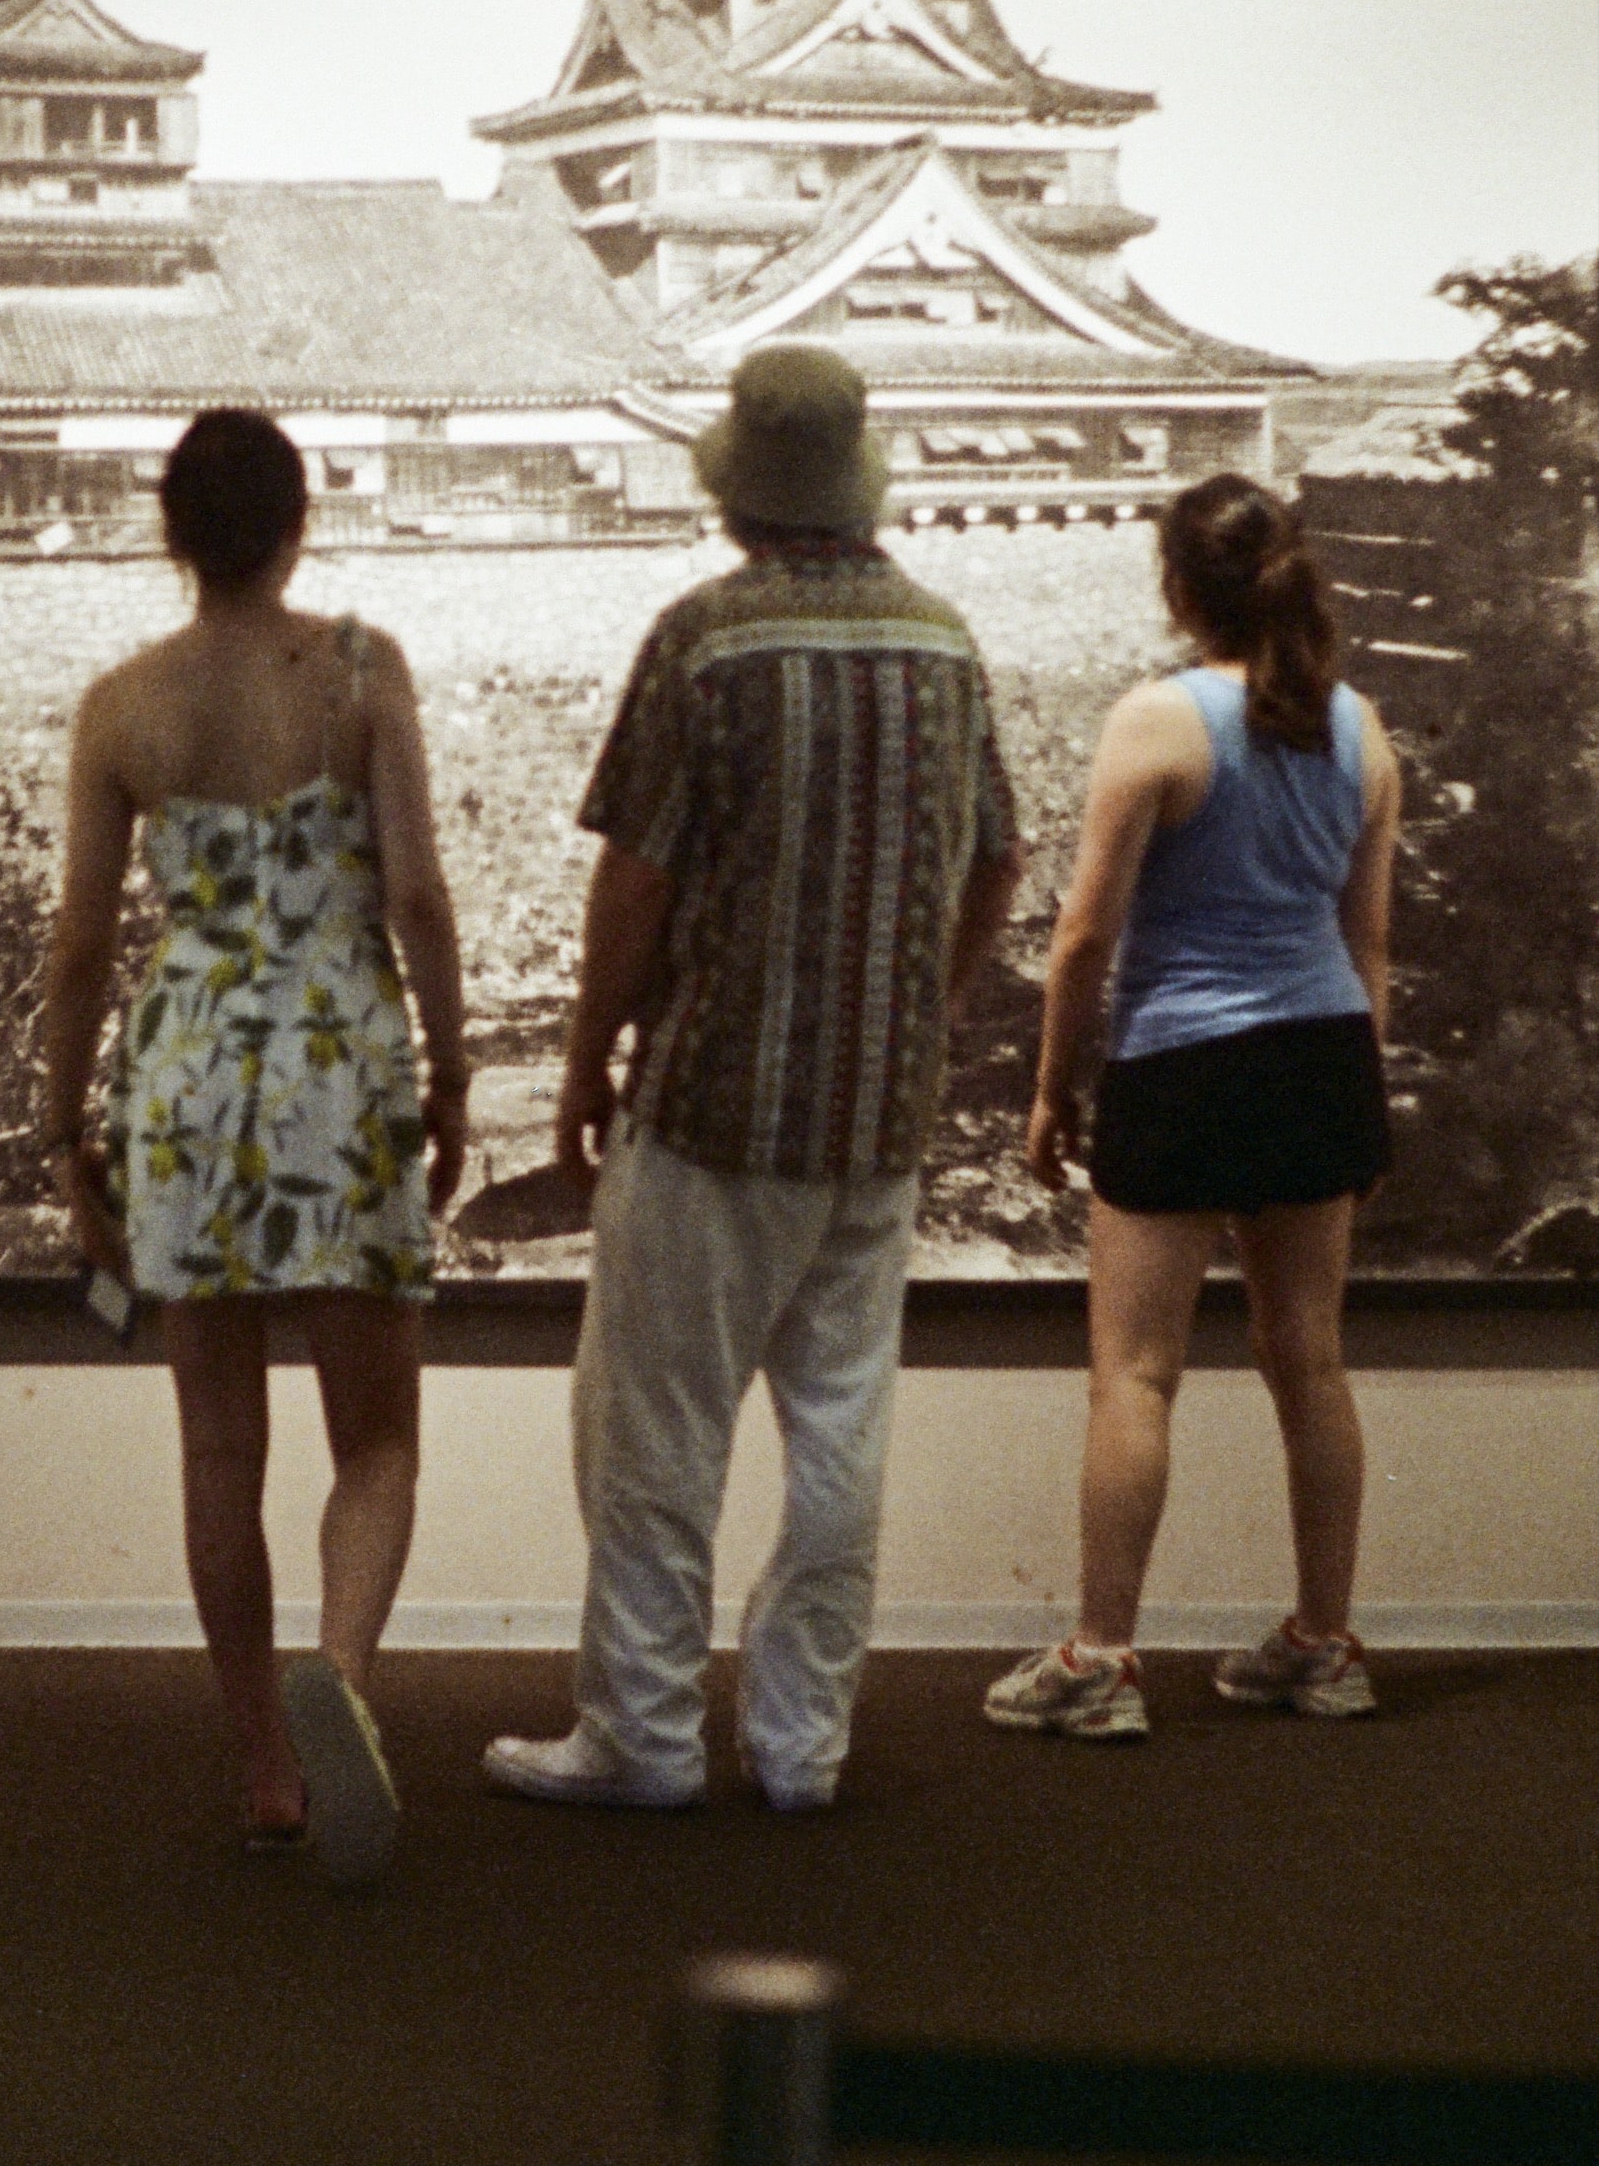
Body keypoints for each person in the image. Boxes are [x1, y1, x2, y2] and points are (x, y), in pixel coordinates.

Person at [483, 344, 1024, 1815]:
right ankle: (800, 1746)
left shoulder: (706, 641)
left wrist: (585, 1057)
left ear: (738, 487)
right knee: (841, 1429)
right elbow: (996, 859)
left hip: (715, 1108)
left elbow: (635, 880)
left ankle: (644, 1735)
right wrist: (928, 1008)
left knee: (655, 1431)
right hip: (878, 1120)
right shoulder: (942, 638)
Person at [41, 409, 467, 1881]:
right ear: (298, 524)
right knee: (378, 1438)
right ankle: (337, 1681)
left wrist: (64, 1130)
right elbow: (416, 894)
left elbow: (81, 945)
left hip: (188, 1066)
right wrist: (453, 1068)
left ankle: (269, 1770)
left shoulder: (120, 706)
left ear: (174, 535)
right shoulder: (360, 668)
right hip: (339, 1054)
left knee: (219, 1443)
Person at [984, 473, 1400, 1743]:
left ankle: (1103, 1661)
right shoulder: (1361, 730)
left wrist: (1053, 1090)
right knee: (1311, 1360)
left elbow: (1082, 940)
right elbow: (1368, 943)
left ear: (1178, 584)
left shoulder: (1157, 722)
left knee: (1134, 1375)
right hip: (1323, 1056)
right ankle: (1325, 1646)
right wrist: (1360, 1095)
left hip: (1185, 1066)